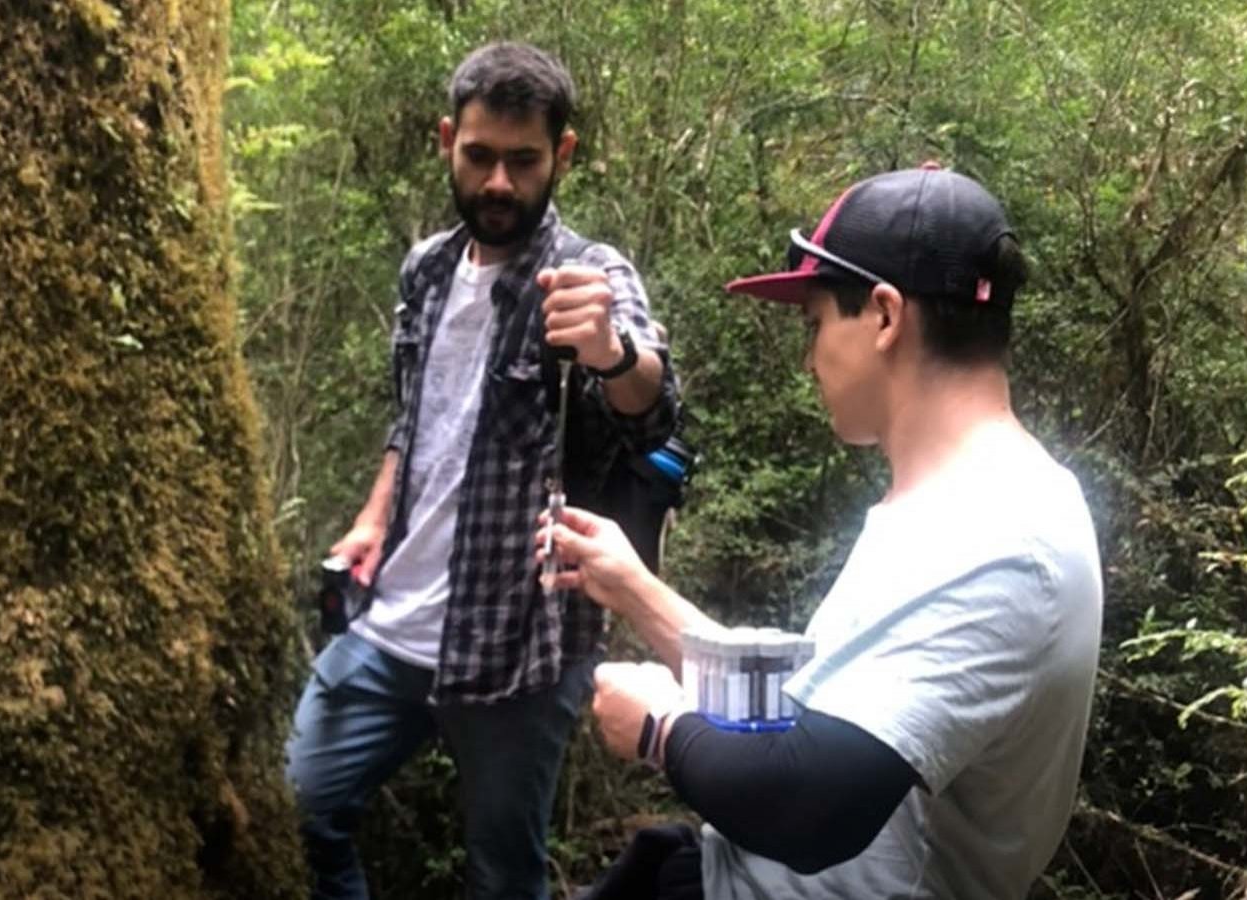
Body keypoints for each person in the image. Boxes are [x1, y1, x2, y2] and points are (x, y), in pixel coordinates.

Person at [540, 165, 1104, 899]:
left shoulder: (1000, 540)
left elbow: (806, 807)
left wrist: (661, 729)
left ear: (884, 315)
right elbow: (815, 715)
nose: (809, 358)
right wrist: (636, 591)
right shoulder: (961, 504)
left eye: (815, 325)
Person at [285, 42, 680, 900]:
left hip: (520, 644)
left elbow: (654, 407)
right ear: (447, 143)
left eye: (524, 160)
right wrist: (372, 517)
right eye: (480, 157)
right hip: (390, 623)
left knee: (504, 877)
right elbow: (416, 421)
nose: (499, 182)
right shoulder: (425, 270)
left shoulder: (590, 275)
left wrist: (610, 352)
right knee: (298, 809)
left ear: (560, 156)